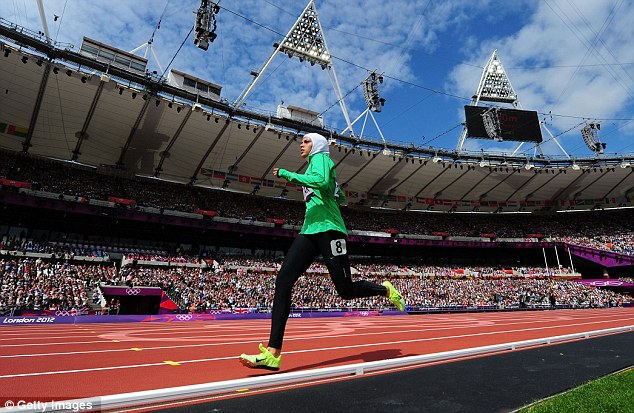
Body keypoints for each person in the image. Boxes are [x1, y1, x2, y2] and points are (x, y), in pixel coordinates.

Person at [239, 132, 405, 371]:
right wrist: (333, 189)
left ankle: (384, 289)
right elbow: (339, 196)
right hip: (310, 229)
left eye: (306, 141)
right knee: (283, 280)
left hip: (331, 231)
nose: (301, 144)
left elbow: (320, 182)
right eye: (301, 141)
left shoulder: (322, 160)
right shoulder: (315, 167)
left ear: (317, 145)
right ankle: (273, 353)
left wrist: (287, 174)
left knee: (345, 290)